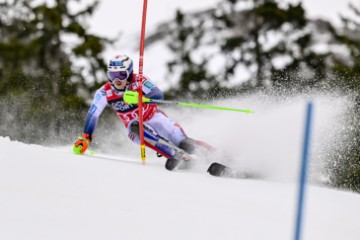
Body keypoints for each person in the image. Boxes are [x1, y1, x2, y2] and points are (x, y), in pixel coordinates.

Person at [73, 54, 215, 170]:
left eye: (121, 74)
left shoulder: (139, 80)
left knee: (184, 143)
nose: (116, 80)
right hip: (135, 128)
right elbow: (93, 114)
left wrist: (141, 98)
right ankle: (177, 156)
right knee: (136, 127)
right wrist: (86, 137)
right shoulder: (104, 92)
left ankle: (215, 154)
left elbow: (159, 95)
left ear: (129, 73)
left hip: (155, 118)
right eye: (112, 74)